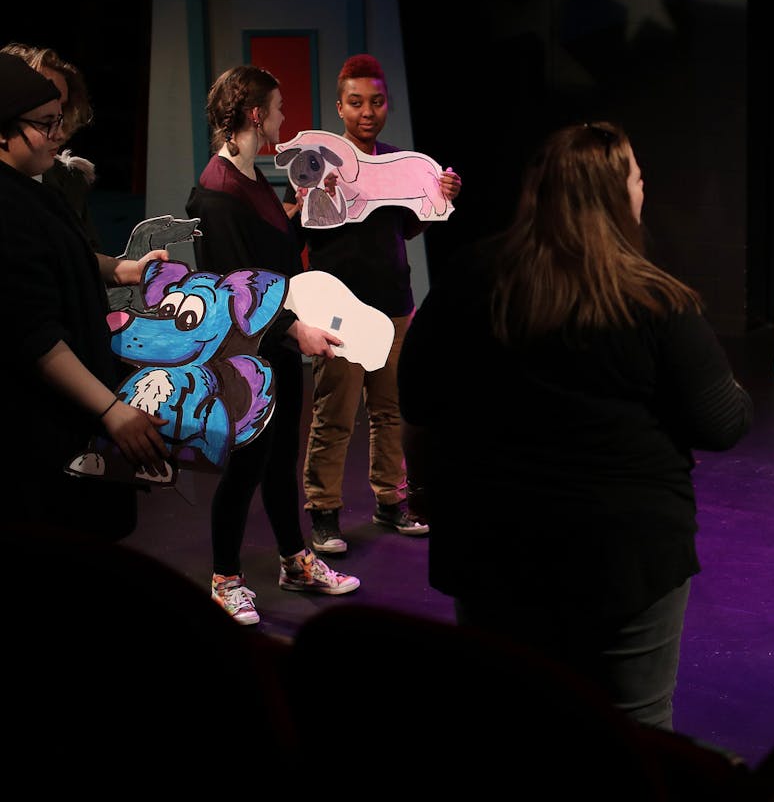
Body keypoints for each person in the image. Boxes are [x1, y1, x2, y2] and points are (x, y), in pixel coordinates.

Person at [398, 121, 752, 730]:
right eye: (639, 179)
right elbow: (723, 423)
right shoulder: (653, 300)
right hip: (623, 555)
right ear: (620, 195)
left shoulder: (472, 276)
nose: (645, 190)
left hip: (489, 540)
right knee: (633, 733)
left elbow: (419, 396)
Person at [186, 65, 359, 625]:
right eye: (279, 108)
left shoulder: (251, 179)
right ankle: (224, 577)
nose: (285, 119)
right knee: (248, 465)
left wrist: (308, 202)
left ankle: (293, 559)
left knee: (281, 459)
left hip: (275, 348)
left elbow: (278, 251)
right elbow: (236, 290)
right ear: (256, 115)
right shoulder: (215, 193)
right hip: (246, 357)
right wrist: (296, 328)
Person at [285, 53, 461, 553]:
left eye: (377, 102)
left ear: (387, 105)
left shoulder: (398, 164)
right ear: (339, 107)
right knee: (334, 413)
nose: (368, 111)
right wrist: (311, 199)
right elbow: (299, 228)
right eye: (357, 102)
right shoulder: (318, 163)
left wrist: (440, 196)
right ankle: (323, 512)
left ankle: (391, 500)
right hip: (339, 311)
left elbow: (409, 225)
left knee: (389, 410)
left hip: (394, 305)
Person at [0, 53, 168, 542]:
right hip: (38, 431)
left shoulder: (33, 189)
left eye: (60, 121)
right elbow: (35, 337)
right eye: (45, 123)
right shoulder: (7, 205)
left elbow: (65, 254)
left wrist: (122, 269)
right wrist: (110, 410)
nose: (58, 134)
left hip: (70, 417)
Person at [1, 43, 102, 250]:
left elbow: (86, 254)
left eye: (60, 107)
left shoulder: (68, 180)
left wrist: (126, 270)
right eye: (43, 111)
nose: (59, 131)